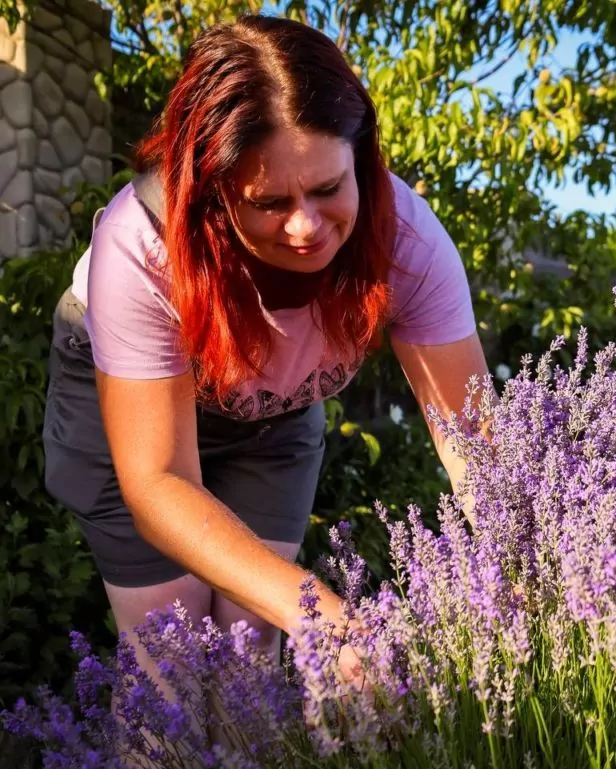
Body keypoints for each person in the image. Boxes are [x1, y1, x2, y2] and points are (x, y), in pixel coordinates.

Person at [41, 13, 490, 692]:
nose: (307, 227)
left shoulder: (408, 243)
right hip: (131, 414)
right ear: (215, 191)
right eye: (269, 201)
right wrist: (327, 617)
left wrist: (529, 567)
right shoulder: (141, 248)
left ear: (361, 160)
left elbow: (477, 442)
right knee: (173, 665)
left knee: (249, 656)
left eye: (328, 188)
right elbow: (158, 481)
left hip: (273, 411)